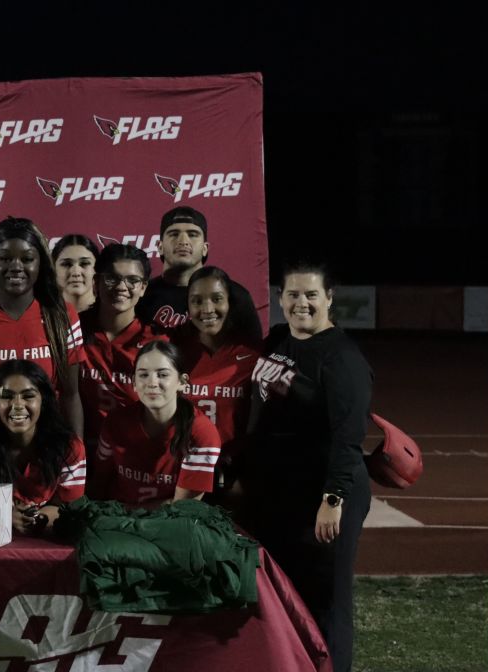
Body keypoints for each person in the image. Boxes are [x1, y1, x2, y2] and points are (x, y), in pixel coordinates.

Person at [237, 261, 372, 672]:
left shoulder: (341, 358)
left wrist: (333, 499)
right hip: (281, 491)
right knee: (285, 591)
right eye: (293, 294)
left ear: (329, 298)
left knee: (328, 598)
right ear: (280, 298)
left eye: (311, 294)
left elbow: (349, 437)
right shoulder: (278, 339)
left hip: (321, 493)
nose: (301, 303)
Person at [0, 217, 85, 436]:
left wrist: (77, 455)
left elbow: (71, 395)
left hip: (46, 446)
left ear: (40, 263)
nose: (16, 266)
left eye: (27, 258)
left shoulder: (63, 317)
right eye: (5, 258)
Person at [88, 341, 221, 509]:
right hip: (114, 521)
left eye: (163, 375)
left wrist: (124, 512)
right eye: (143, 375)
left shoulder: (202, 433)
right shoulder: (115, 422)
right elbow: (99, 483)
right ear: (134, 383)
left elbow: (183, 508)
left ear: (182, 381)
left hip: (167, 526)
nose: (152, 383)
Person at [0, 360, 86, 535]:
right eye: (6, 396)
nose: (17, 405)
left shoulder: (70, 448)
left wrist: (36, 518)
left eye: (28, 396)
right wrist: (3, 516)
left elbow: (71, 508)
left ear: (43, 401)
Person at [173, 265, 260, 492]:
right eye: (197, 301)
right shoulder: (174, 352)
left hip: (234, 476)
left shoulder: (252, 354)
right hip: (180, 472)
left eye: (216, 298)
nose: (207, 308)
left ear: (230, 302)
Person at [77, 243, 170, 447]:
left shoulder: (156, 341)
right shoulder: (73, 329)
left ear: (144, 287)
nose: (121, 287)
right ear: (96, 283)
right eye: (112, 278)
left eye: (133, 280)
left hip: (135, 453)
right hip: (82, 450)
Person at [135, 206, 261, 343]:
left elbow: (252, 353)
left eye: (193, 234)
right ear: (160, 247)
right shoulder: (141, 295)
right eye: (174, 234)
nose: (183, 241)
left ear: (205, 248)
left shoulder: (235, 295)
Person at [51, 234, 99, 313]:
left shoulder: (111, 315)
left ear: (97, 269)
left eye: (84, 263)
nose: (76, 272)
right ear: (53, 269)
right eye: (66, 264)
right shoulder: (41, 317)